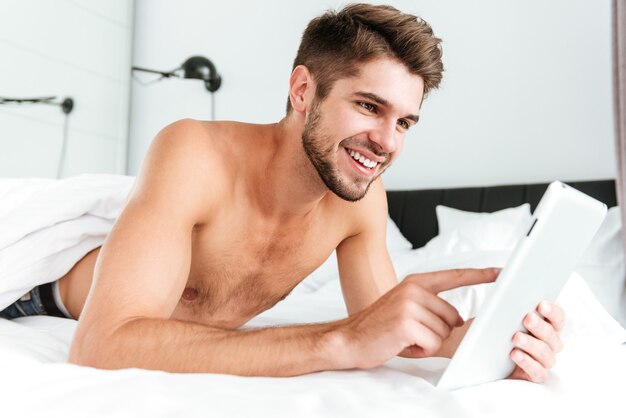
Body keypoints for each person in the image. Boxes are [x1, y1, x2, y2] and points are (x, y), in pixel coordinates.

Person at [4, 3, 564, 382]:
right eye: (369, 106)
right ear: (303, 90)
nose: (386, 142)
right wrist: (336, 342)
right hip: (33, 298)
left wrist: (483, 344)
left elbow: (381, 327)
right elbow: (101, 348)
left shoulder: (363, 199)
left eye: (405, 122)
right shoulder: (196, 153)